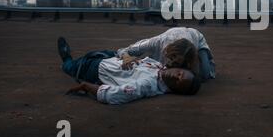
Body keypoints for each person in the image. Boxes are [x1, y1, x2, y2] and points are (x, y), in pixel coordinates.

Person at [57, 37, 200, 105]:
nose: (176, 77)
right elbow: (126, 51)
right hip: (111, 57)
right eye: (180, 74)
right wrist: (127, 57)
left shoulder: (148, 85)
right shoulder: (159, 65)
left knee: (69, 67)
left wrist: (86, 86)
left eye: (179, 83)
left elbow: (114, 95)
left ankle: (66, 58)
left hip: (95, 69)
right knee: (113, 52)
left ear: (175, 90)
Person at [116, 27, 216, 81]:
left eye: (177, 62)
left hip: (197, 37)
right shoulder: (155, 42)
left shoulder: (190, 54)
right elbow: (123, 50)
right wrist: (126, 57)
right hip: (173, 36)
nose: (170, 63)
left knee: (204, 75)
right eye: (172, 57)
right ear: (168, 50)